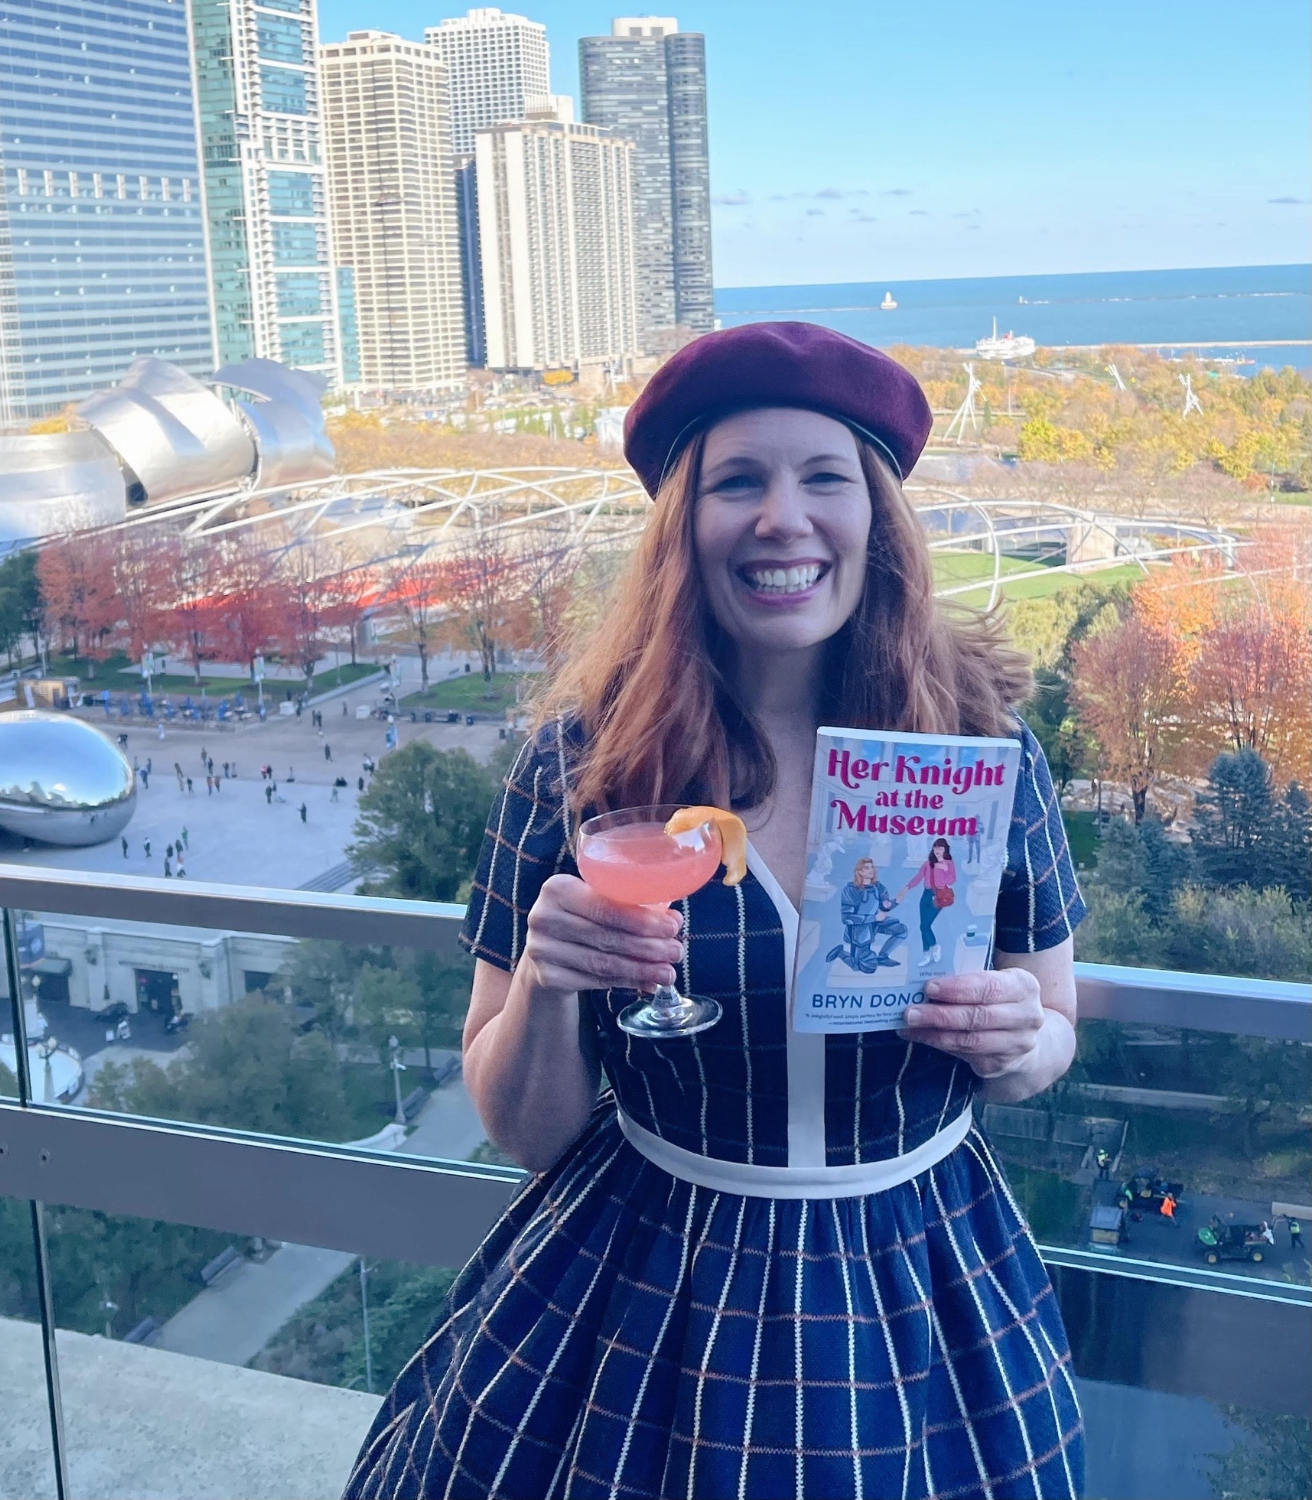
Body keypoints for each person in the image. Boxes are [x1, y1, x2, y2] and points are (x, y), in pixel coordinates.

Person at [343, 323, 1086, 1499]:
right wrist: (547, 982)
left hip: (915, 1279)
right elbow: (525, 1131)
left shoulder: (982, 749)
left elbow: (1052, 1031)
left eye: (823, 478)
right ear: (682, 527)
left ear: (877, 518)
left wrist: (1018, 1037)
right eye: (738, 480)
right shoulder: (583, 765)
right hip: (639, 1280)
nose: (781, 519)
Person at [826, 855, 906, 972]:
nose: (871, 870)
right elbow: (847, 918)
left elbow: (885, 906)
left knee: (901, 930)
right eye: (866, 868)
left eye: (871, 867)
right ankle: (840, 953)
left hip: (876, 923)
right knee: (861, 967)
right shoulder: (851, 890)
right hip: (860, 930)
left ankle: (883, 956)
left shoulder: (878, 887)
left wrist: (895, 902)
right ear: (859, 872)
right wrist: (874, 918)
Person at [901, 836, 958, 969]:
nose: (937, 850)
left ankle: (934, 946)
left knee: (925, 926)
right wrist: (907, 887)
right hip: (926, 894)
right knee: (923, 926)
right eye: (935, 847)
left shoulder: (949, 863)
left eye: (940, 847)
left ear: (945, 849)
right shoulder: (928, 863)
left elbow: (951, 880)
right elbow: (919, 877)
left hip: (938, 895)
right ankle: (926, 955)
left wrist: (944, 868)